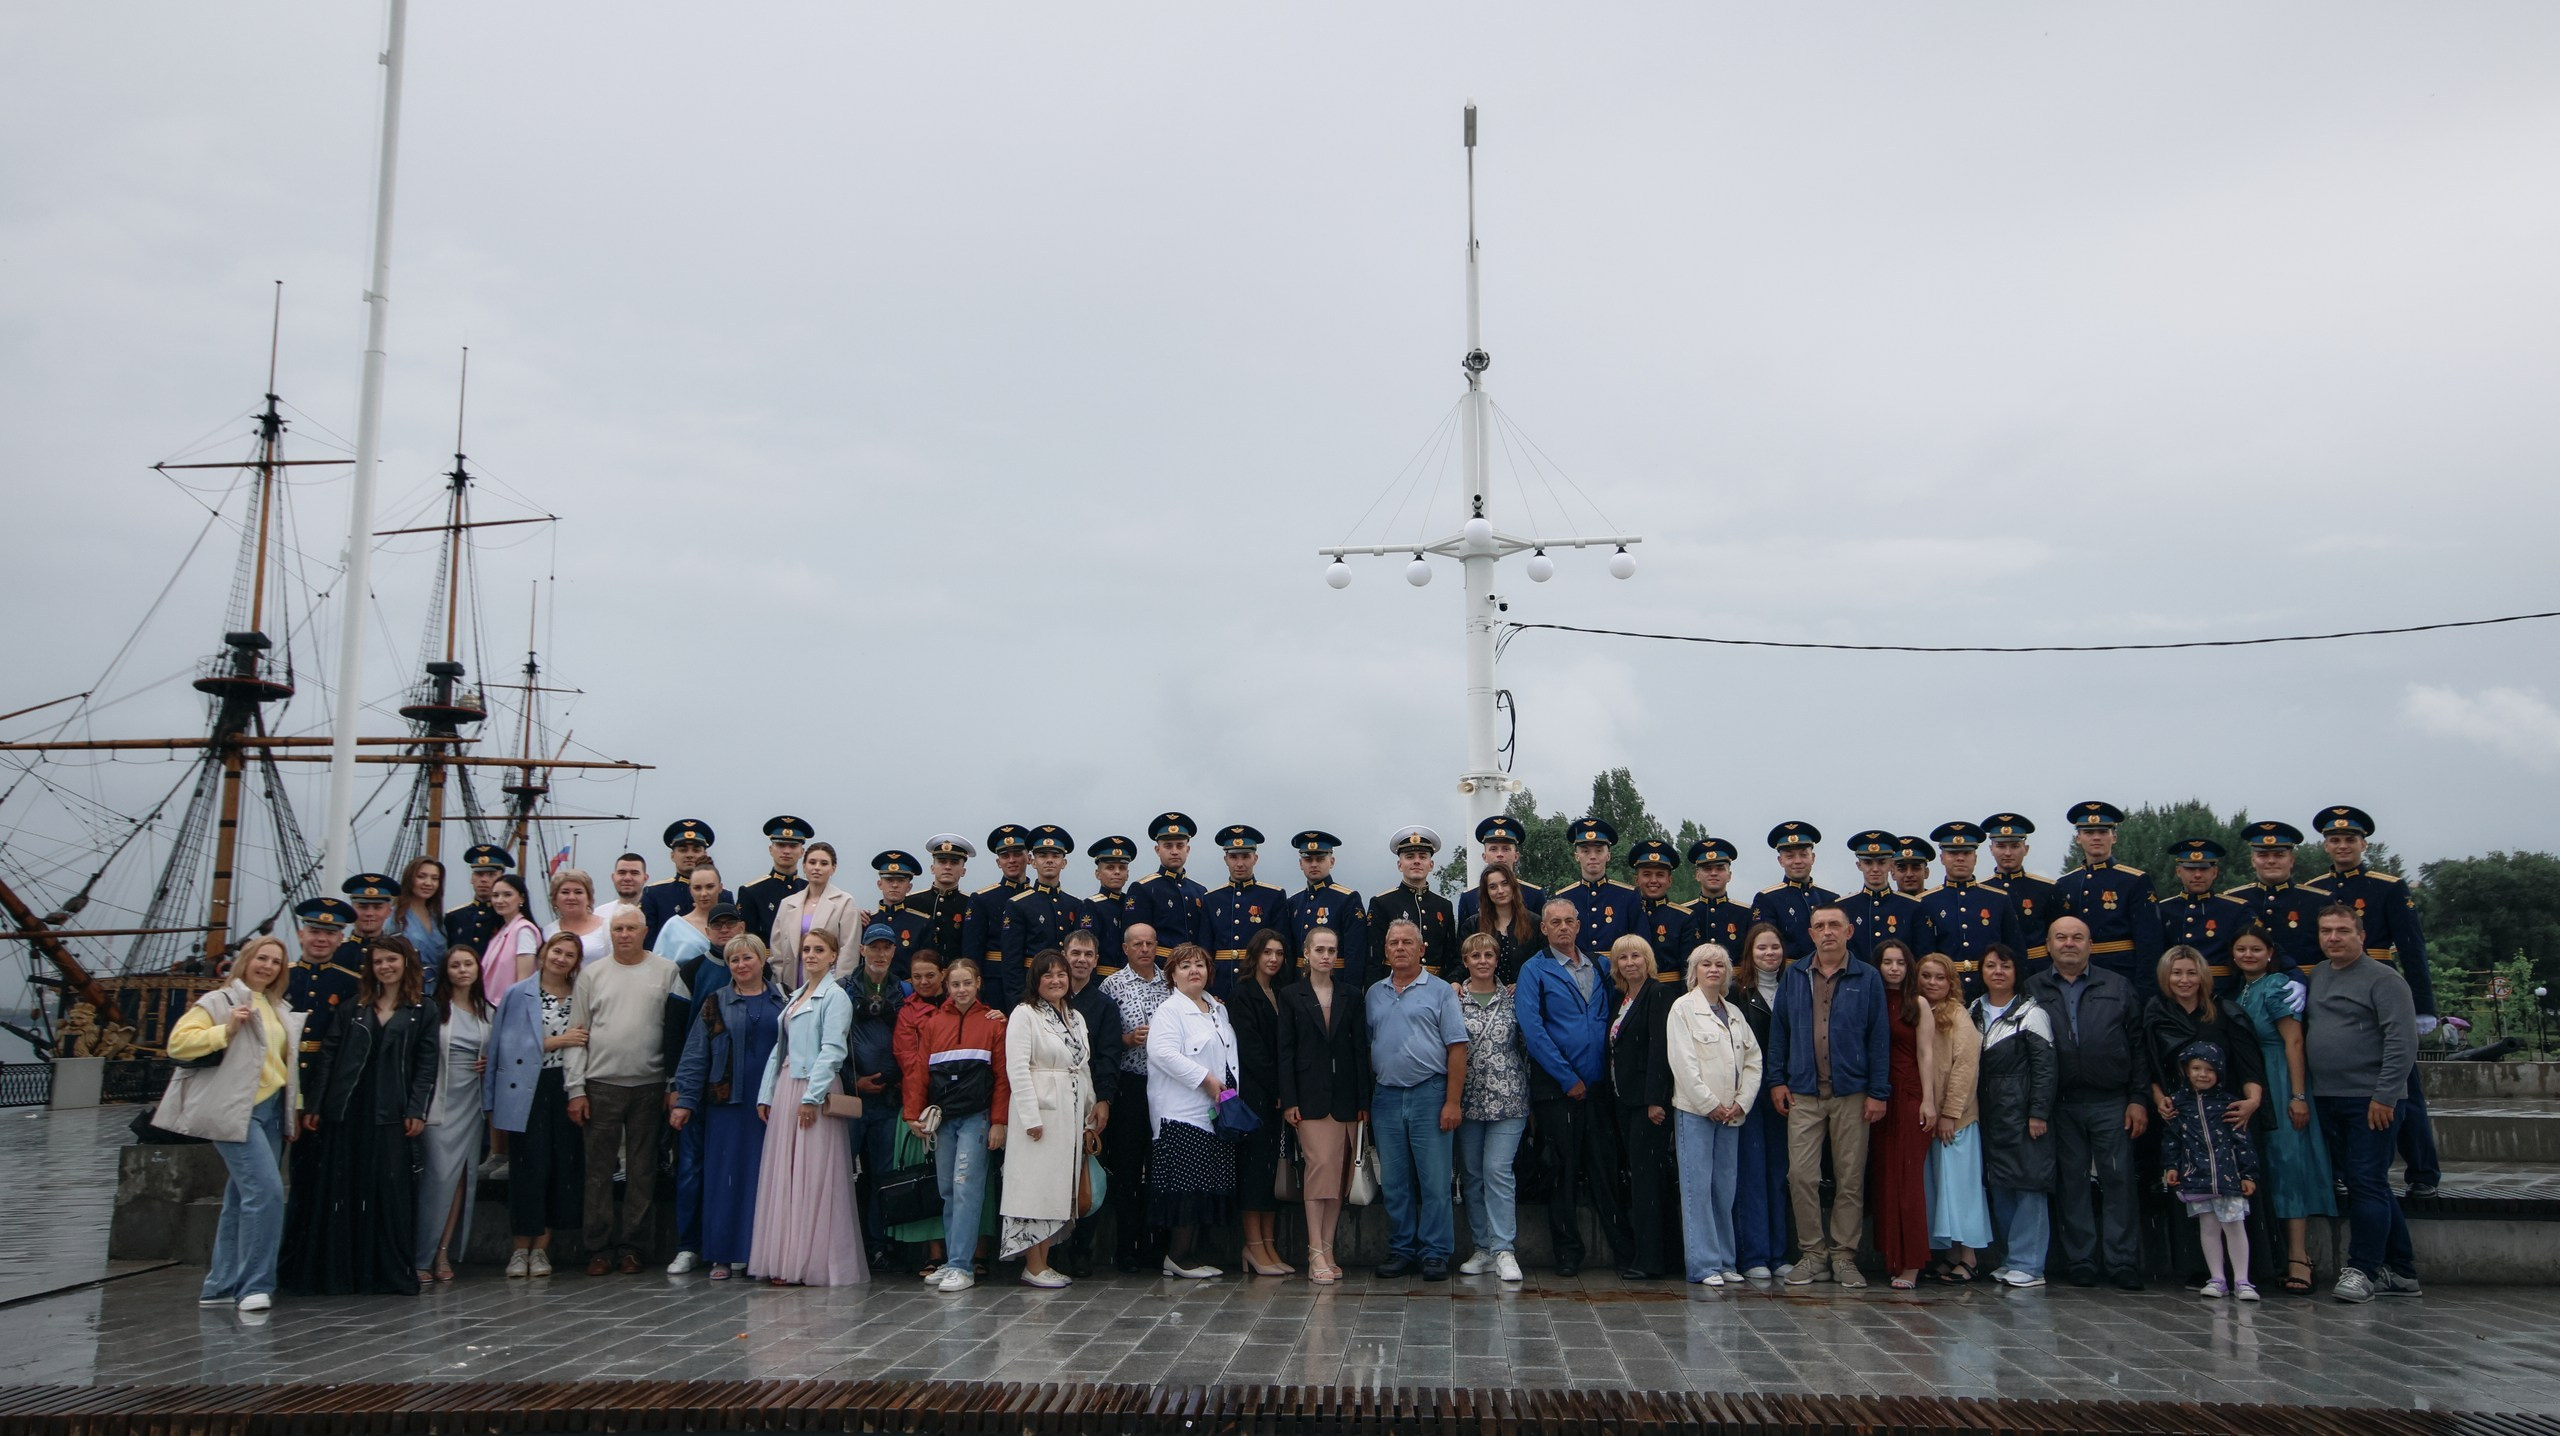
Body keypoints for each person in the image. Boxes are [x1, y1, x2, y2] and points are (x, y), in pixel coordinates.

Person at [157, 933, 305, 1314]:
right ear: (246, 961)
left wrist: (294, 1109)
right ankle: (254, 1284)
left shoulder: (277, 1006)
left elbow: (284, 1065)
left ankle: (220, 1285)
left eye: (275, 961)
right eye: (262, 958)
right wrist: (225, 1030)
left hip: (271, 1110)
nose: (268, 966)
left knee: (241, 1198)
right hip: (236, 1110)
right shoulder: (219, 1001)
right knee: (267, 1194)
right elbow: (178, 1043)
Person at [284, 935, 438, 1296]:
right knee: (345, 1189)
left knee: (388, 1190)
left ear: (406, 963)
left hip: (391, 1108)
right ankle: (343, 1270)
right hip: (349, 1107)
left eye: (392, 960)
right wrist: (317, 1105)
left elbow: (426, 1064)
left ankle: (384, 1271)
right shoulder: (353, 1006)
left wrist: (417, 1108)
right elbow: (330, 1058)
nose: (385, 967)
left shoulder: (423, 1008)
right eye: (379, 961)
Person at [2301, 805, 2441, 1198]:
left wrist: (2424, 1005)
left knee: (2404, 1090)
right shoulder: (2312, 889)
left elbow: (2413, 948)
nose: (2342, 846)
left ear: (2363, 844)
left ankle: (2423, 1172)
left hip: (2380, 984)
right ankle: (2344, 1170)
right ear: (2325, 845)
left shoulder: (2388, 886)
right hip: (2331, 987)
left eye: (2350, 839)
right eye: (2335, 840)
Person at [1767, 904, 1891, 1289]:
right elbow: (1780, 1031)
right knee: (1801, 1176)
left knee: (1849, 1178)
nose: (1827, 932)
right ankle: (1812, 1253)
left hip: (1852, 1093)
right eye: (1819, 926)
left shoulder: (1867, 977)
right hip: (1803, 1091)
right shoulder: (1795, 974)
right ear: (1810, 933)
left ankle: (1844, 1255)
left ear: (1849, 931)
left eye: (1834, 925)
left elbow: (1879, 1037)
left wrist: (1878, 1092)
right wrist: (1776, 1080)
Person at [2025, 915, 2151, 1290]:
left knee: (2118, 1180)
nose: (2069, 944)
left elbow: (2138, 1047)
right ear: (2047, 946)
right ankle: (2080, 1259)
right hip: (2060, 1102)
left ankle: (2122, 1261)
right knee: (2072, 1182)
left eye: (2077, 937)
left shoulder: (2117, 985)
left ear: (2090, 944)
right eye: (2060, 937)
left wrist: (2138, 1098)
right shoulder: (2033, 987)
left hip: (2111, 1099)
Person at [2304, 902, 2422, 1302]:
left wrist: (2385, 1095)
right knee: (2366, 1183)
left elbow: (2402, 1042)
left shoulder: (2383, 980)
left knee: (2367, 1183)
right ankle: (2402, 1271)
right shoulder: (2319, 974)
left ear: (2361, 935)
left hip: (2371, 1100)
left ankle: (2363, 1269)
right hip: (2328, 1097)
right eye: (2325, 931)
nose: (2333, 938)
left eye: (2342, 930)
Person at [563, 906, 688, 1275]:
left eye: (631, 928)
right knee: (598, 1171)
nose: (624, 935)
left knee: (643, 1169)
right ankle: (598, 1247)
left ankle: (634, 1245)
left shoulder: (667, 971)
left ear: (645, 931)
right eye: (617, 929)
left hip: (649, 1085)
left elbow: (675, 1031)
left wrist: (672, 1083)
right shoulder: (592, 974)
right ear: (610, 932)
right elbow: (576, 1034)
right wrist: (575, 1089)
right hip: (600, 1085)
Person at [1515, 898, 1636, 1278]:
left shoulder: (1602, 966)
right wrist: (1568, 1079)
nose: (1563, 928)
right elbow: (1533, 1030)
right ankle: (1568, 1252)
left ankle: (1624, 1251)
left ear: (1579, 926)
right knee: (1562, 1173)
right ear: (1544, 929)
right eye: (1555, 922)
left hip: (1599, 1088)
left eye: (1569, 921)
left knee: (1606, 1170)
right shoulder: (1534, 970)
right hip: (1557, 1089)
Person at [749, 929, 867, 1287]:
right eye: (806, 950)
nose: (811, 955)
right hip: (788, 1086)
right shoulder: (796, 996)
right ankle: (785, 1258)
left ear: (834, 956)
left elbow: (832, 1051)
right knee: (786, 1176)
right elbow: (780, 1048)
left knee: (813, 1176)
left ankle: (811, 1261)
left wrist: (811, 1098)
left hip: (813, 1089)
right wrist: (766, 1093)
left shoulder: (836, 997)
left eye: (819, 950)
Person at [2229, 923, 2338, 1295]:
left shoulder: (2276, 986)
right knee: (2265, 1166)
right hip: (2252, 1078)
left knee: (2289, 1164)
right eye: (2241, 949)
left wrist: (2297, 1095)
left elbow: (2294, 1041)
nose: (2248, 955)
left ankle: (2298, 1257)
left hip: (2279, 1078)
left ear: (2270, 953)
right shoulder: (2242, 989)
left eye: (2255, 949)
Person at [671, 935, 786, 1280]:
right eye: (734, 960)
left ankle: (757, 1253)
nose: (741, 965)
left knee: (761, 1180)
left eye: (747, 958)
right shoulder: (715, 1002)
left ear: (762, 960)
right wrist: (685, 1100)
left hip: (769, 1105)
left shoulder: (784, 1000)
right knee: (724, 1180)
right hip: (726, 1103)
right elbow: (695, 1055)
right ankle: (721, 1255)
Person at [1364, 918, 1470, 1281]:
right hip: (1387, 1097)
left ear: (1422, 949)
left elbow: (1458, 1048)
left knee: (1434, 1181)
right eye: (1393, 942)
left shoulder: (1440, 991)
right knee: (1393, 1181)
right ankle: (1401, 1249)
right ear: (1385, 950)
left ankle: (1436, 1252)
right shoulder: (1374, 993)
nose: (1400, 948)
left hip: (1430, 1093)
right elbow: (1369, 1044)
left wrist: (1452, 1102)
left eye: (1407, 942)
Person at [484, 933, 587, 1277]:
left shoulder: (580, 995)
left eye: (569, 955)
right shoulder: (517, 994)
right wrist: (558, 1040)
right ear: (544, 952)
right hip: (526, 1087)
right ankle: (518, 1249)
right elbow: (504, 1048)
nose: (561, 958)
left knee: (559, 1167)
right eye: (557, 951)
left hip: (565, 1085)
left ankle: (542, 1248)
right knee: (528, 1168)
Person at [905, 956, 1009, 1292]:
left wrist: (998, 1122)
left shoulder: (994, 1024)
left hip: (975, 1119)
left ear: (978, 983)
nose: (961, 989)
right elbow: (919, 1071)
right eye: (955, 984)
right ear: (946, 987)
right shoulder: (934, 1023)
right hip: (943, 1120)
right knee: (948, 1190)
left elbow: (1002, 1078)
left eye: (967, 983)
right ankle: (952, 1261)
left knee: (967, 1188)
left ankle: (962, 1266)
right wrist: (912, 1114)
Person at [1281, 925, 1372, 1285]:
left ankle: (1328, 1247)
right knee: (1319, 1172)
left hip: (1347, 1098)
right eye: (1319, 949)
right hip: (1310, 1098)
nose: (1326, 956)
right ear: (1306, 954)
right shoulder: (1291, 995)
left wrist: (1364, 1101)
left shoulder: (1351, 994)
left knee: (1340, 1177)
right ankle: (1314, 1249)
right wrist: (1289, 1099)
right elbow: (1284, 1051)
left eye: (1332, 950)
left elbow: (1359, 1050)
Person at [1001, 949, 1097, 1287]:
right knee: (1033, 1185)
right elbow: (1017, 1068)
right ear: (1036, 981)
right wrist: (1030, 1117)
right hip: (1040, 1110)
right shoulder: (1024, 1014)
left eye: (1061, 974)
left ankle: (1044, 1261)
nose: (1056, 981)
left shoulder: (1075, 1017)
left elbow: (1082, 1066)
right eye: (1048, 975)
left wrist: (1090, 1113)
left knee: (1057, 1185)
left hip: (1069, 1111)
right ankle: (1033, 1264)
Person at [1665, 943, 1760, 1285]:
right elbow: (1683, 1062)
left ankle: (1725, 1261)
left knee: (1724, 1188)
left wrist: (1741, 1101)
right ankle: (1703, 1265)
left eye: (1720, 965)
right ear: (1694, 971)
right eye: (1706, 964)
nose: (1714, 970)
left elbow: (1753, 1061)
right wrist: (1710, 1104)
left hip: (1732, 1113)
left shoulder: (1734, 1012)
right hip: (1697, 1113)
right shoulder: (1682, 1009)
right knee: (1697, 1188)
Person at [1145, 944, 1240, 1279]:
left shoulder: (1216, 1009)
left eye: (1199, 965)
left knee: (1205, 1185)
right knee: (1186, 1189)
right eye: (1184, 966)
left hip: (1214, 1113)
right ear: (1172, 974)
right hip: (1181, 1113)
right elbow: (1161, 1054)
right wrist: (1207, 1079)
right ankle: (1177, 1256)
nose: (1193, 971)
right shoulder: (1169, 1011)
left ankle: (1193, 1253)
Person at [1969, 944, 2057, 1288]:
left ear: (2016, 972)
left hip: (2022, 1112)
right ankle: (2010, 1259)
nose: (1998, 972)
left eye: (2005, 965)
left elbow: (2046, 1069)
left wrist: (2038, 1112)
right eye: (1990, 965)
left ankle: (2030, 1263)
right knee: (2002, 1183)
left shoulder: (2032, 1013)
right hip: (1988, 1113)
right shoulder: (1974, 1010)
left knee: (2029, 1184)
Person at [1448, 932, 1526, 1283]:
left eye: (1488, 955)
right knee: (1473, 1175)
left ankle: (1504, 1248)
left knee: (1497, 1170)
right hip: (1466, 1100)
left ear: (1497, 959)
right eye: (1475, 956)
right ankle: (1482, 1247)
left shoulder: (1513, 997)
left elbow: (1527, 1042)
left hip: (1509, 1099)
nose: (1482, 961)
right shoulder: (1453, 998)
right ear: (1465, 961)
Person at [413, 943, 490, 1284]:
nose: (462, 970)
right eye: (455, 965)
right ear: (446, 971)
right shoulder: (432, 1009)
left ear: (477, 969)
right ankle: (419, 1255)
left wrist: (490, 1062)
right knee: (436, 1178)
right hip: (438, 1105)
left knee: (461, 1178)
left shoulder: (488, 1010)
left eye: (468, 964)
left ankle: (443, 1252)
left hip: (471, 1102)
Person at [2160, 1040, 2262, 1300]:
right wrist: (2171, 1166)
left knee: (2234, 1225)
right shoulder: (2177, 1104)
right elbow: (2172, 1138)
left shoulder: (2229, 1103)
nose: (2202, 1074)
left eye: (2209, 1069)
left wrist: (2248, 1173)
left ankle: (2242, 1280)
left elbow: (2242, 1140)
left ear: (2219, 1073)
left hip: (2229, 1178)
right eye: (2196, 1068)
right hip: (2196, 1178)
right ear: (2186, 1070)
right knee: (2208, 1226)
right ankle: (2217, 1278)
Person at [1099, 925, 1173, 1272]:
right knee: (1127, 1167)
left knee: (1160, 1167)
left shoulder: (1171, 983)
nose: (1144, 949)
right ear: (1125, 948)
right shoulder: (1112, 985)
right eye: (1137, 944)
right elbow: (1103, 1037)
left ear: (1157, 946)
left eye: (1150, 943)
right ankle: (1126, 1247)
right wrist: (1128, 1039)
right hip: (1130, 1084)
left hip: (1166, 1086)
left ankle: (1158, 1246)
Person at [1606, 934, 1679, 1279]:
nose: (1630, 962)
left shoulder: (1658, 993)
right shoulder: (1622, 998)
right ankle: (1649, 1254)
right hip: (1624, 1099)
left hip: (1647, 1104)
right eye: (1623, 957)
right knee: (1638, 1178)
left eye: (1636, 956)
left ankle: (1652, 1261)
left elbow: (1659, 1048)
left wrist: (1655, 1099)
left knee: (1649, 1181)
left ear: (1648, 960)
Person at [839, 923, 910, 1269]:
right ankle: (841, 1243)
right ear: (862, 950)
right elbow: (833, 1046)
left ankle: (879, 1244)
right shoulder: (842, 990)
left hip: (888, 1100)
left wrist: (896, 1081)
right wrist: (854, 1081)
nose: (880, 954)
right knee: (841, 1174)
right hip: (852, 1099)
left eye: (887, 947)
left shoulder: (904, 991)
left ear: (894, 951)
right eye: (874, 947)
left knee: (884, 1176)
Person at [1918, 952, 1992, 1283]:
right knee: (1939, 1190)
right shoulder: (1921, 1012)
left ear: (1951, 983)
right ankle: (1949, 1254)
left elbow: (1965, 1068)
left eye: (1939, 978)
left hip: (1956, 1121)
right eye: (1926, 976)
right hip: (1929, 1119)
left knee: (1960, 1189)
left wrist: (1950, 1112)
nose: (1932, 983)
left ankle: (1969, 1257)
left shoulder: (1957, 1016)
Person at [1054, 928, 1122, 1278]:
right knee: (1054, 1175)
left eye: (1088, 955)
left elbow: (1109, 1056)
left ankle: (1082, 1250)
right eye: (1075, 953)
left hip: (1090, 1099)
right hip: (1052, 1101)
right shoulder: (1048, 999)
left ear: (1097, 961)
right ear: (1063, 954)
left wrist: (1105, 1100)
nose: (1081, 960)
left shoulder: (1104, 1005)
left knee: (1088, 1177)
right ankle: (1053, 1249)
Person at [1726, 922, 1792, 1279]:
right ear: (1750, 954)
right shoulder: (1737, 992)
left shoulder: (1796, 987)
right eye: (1762, 948)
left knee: (1779, 1173)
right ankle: (1753, 1255)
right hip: (1750, 1092)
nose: (1770, 954)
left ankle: (1780, 1253)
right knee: (1750, 1173)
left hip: (1787, 1091)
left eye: (1775, 947)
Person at [1867, 937, 1933, 1289]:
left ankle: (1912, 1262)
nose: (1893, 968)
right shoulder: (1871, 1000)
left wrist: (1930, 1100)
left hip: (1909, 1096)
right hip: (1877, 1096)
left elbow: (1926, 1055)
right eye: (1887, 962)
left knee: (1909, 1181)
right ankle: (1891, 1256)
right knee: (1885, 1178)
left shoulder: (1917, 1003)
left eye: (1900, 962)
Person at [1227, 927, 1293, 1274]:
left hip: (1278, 1095)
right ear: (1255, 955)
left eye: (1279, 953)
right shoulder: (1244, 994)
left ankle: (1269, 1244)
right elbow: (1252, 1051)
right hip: (1255, 1094)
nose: (1273, 959)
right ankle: (1252, 1246)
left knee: (1271, 1170)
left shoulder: (1281, 992)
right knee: (1254, 1170)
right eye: (1267, 952)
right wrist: (1279, 1087)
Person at [885, 950, 954, 1268]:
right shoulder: (907, 1013)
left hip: (960, 1102)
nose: (924, 982)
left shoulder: (962, 1004)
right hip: (922, 1102)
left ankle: (973, 1252)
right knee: (929, 1180)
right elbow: (909, 1061)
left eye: (930, 975)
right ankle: (935, 1253)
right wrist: (918, 1108)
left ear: (943, 974)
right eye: (917, 977)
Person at [2054, 801, 2163, 985]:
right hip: (2076, 974)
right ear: (2078, 838)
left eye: (2103, 832)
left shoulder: (2135, 881)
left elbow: (2149, 942)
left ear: (2114, 837)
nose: (2096, 838)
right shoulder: (2065, 884)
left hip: (2122, 972)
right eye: (2089, 832)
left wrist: (2146, 989)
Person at [1918, 822, 2021, 997]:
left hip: (1989, 989)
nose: (1960, 858)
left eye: (1966, 853)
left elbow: (2014, 949)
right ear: (1942, 857)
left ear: (1975, 857)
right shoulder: (1926, 902)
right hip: (1945, 992)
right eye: (1952, 853)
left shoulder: (1998, 899)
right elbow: (1923, 954)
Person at [1000, 826, 1090, 1010]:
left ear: (1064, 863)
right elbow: (1011, 962)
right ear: (1033, 862)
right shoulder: (1018, 905)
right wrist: (1019, 1003)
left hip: (1066, 992)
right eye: (1043, 856)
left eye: (1055, 856)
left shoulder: (1075, 905)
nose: (1049, 860)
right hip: (1031, 990)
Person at [1200, 826, 1287, 998]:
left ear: (1255, 858)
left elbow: (1282, 947)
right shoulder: (1211, 899)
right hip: (1220, 985)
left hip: (1258, 983)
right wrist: (1207, 990)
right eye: (1233, 857)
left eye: (1246, 856)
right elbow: (1205, 950)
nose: (1240, 864)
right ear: (1225, 859)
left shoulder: (1273, 896)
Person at [2157, 839, 2253, 993]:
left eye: (2204, 869)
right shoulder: (2163, 909)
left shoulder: (2235, 909)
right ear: (2178, 871)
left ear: (2214, 872)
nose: (2197, 875)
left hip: (2221, 991)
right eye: (2190, 869)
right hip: (2176, 991)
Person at [2226, 820, 2325, 970]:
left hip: (2305, 986)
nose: (2271, 861)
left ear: (2291, 860)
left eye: (2279, 855)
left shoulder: (2319, 900)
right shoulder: (2233, 901)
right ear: (2253, 861)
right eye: (2263, 855)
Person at [1369, 826, 1459, 979]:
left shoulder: (1443, 905)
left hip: (1434, 986)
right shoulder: (1382, 903)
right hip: (1393, 984)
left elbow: (1450, 956)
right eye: (1410, 857)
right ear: (1399, 865)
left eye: (1423, 857)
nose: (1417, 861)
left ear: (1431, 865)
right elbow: (1374, 957)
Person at [770, 842, 861, 988]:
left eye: (824, 863)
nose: (817, 868)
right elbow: (777, 951)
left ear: (833, 868)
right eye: (812, 862)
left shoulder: (845, 902)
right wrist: (780, 986)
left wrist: (838, 988)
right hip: (790, 984)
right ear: (804, 866)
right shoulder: (788, 903)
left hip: (827, 985)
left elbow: (848, 953)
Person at [1286, 831, 1369, 988]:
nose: (1314, 864)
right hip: (1299, 985)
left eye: (1320, 859)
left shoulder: (1347, 899)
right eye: (1308, 859)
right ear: (1300, 864)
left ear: (1331, 861)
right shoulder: (1294, 902)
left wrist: (1351, 993)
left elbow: (1355, 954)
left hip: (1335, 983)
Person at [1981, 813, 2059, 973]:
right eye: (2001, 846)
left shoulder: (2046, 888)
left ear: (2026, 849)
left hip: (2038, 968)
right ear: (1991, 849)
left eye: (2015, 846)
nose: (2008, 853)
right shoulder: (1981, 891)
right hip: (1996, 971)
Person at [1839, 831, 1929, 967]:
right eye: (1868, 863)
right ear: (1859, 865)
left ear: (1891, 865)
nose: (1875, 869)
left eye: (1881, 862)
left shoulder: (1912, 907)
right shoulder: (1844, 907)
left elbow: (1921, 956)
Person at [961, 824, 1034, 988]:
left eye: (1017, 854)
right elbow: (972, 951)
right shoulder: (982, 899)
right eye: (1005, 856)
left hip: (1032, 977)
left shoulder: (1038, 897)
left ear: (1029, 858)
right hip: (995, 980)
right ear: (998, 862)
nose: (1012, 860)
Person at [1552, 817, 1637, 957]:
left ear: (1608, 855)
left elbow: (1639, 943)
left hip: (1617, 972)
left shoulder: (1628, 896)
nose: (1592, 856)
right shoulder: (1563, 898)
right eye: (1585, 851)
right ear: (1577, 856)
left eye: (1599, 851)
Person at [1750, 822, 1836, 960]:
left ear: (1813, 858)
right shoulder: (1767, 899)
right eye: (1790, 856)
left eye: (1803, 855)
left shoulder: (1830, 898)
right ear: (1780, 860)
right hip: (1787, 975)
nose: (1797, 861)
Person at [1128, 813, 1206, 952]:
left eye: (1180, 846)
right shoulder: (1143, 889)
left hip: (1193, 967)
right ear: (1157, 850)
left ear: (1187, 850)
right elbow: (1135, 940)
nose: (1174, 851)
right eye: (1168, 846)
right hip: (1159, 967)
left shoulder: (1200, 891)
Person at [641, 819, 725, 947]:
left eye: (696, 850)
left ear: (704, 854)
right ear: (672, 855)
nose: (690, 855)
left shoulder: (724, 895)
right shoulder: (655, 894)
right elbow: (648, 942)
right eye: (683, 850)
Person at [1456, 815, 1546, 934]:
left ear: (1516, 856)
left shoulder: (1534, 895)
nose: (1500, 854)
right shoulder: (1469, 898)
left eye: (1506, 849)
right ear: (1484, 856)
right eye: (1493, 849)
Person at [735, 815, 812, 947]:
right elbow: (744, 938)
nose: (786, 851)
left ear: (802, 852)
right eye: (781, 845)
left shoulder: (809, 889)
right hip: (767, 962)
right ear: (771, 850)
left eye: (793, 846)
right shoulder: (752, 891)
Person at [1628, 840, 1694, 982]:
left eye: (1660, 875)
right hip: (1633, 990)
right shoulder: (1627, 912)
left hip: (1671, 993)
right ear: (1636, 880)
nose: (1653, 880)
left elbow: (1688, 967)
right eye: (1646, 874)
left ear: (1670, 880)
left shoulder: (1683, 918)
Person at [1686, 839, 1755, 968]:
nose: (1713, 873)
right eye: (1707, 869)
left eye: (1720, 868)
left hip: (1735, 984)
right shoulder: (1684, 913)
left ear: (1729, 875)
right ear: (1697, 875)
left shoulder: (1745, 913)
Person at [479, 873, 545, 1003]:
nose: (499, 900)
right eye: (495, 895)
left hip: (510, 1006)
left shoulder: (524, 931)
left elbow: (524, 980)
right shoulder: (502, 931)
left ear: (521, 898)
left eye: (507, 895)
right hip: (490, 1006)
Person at [653, 863, 726, 981]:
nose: (704, 893)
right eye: (697, 888)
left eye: (709, 886)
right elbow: (659, 969)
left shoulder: (732, 925)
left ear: (720, 887)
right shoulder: (675, 926)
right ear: (690, 890)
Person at [1469, 862, 1539, 983]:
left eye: (1505, 884)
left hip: (1527, 992)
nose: (1500, 891)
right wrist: (1455, 981)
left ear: (1513, 886)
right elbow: (1462, 962)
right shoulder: (1473, 925)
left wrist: (1522, 984)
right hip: (1486, 994)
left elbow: (1542, 963)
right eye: (1493, 887)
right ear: (1486, 892)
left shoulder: (1534, 923)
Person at [868, 849, 934, 977]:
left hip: (907, 991)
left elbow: (928, 963)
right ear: (879, 884)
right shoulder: (867, 921)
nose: (894, 885)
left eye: (900, 880)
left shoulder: (922, 923)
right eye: (889, 880)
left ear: (909, 887)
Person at [913, 835, 976, 962]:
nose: (947, 867)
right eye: (942, 861)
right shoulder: (912, 902)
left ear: (963, 871)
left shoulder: (972, 903)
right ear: (932, 868)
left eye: (954, 862)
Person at [442, 845, 512, 959]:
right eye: (479, 874)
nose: (484, 879)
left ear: (501, 878)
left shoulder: (506, 917)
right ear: (472, 878)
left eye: (491, 874)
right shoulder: (454, 917)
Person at [1083, 836, 1138, 973]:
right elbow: (1086, 948)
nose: (1117, 872)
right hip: (1102, 978)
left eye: (1122, 867)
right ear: (1098, 874)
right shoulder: (1091, 906)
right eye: (1110, 867)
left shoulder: (1132, 903)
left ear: (1127, 874)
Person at [391, 857, 450, 978]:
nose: (428, 883)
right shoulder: (395, 917)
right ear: (409, 879)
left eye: (434, 878)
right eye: (421, 876)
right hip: (408, 984)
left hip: (438, 988)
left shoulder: (438, 919)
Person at [546, 868, 610, 965]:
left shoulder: (608, 928)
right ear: (554, 899)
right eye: (565, 892)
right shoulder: (547, 932)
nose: (571, 897)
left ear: (589, 898)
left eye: (578, 892)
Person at [599, 853, 649, 926]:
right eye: (622, 873)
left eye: (634, 873)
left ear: (645, 878)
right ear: (613, 877)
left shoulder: (654, 913)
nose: (627, 878)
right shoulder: (600, 914)